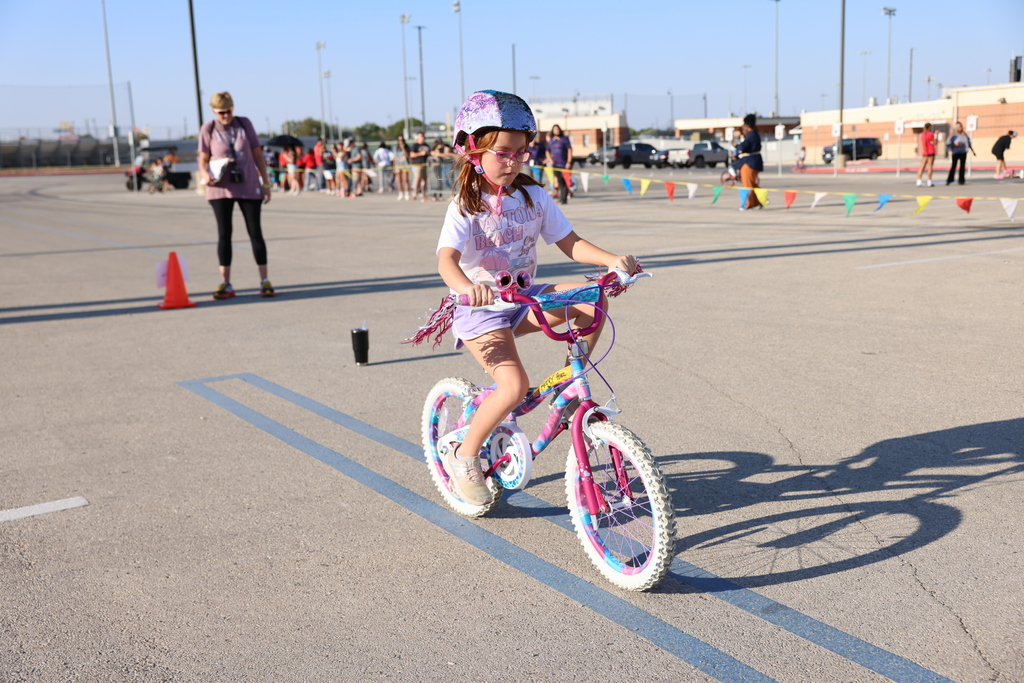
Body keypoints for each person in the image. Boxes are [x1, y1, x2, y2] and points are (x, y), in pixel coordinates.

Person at [430, 90, 637, 506]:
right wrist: (467, 288)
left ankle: (568, 382)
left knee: (591, 301)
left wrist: (612, 259)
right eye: (503, 153)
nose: (514, 161)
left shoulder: (534, 196)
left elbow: (570, 243)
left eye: (522, 152)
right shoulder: (464, 206)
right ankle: (464, 455)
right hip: (481, 313)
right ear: (473, 151)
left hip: (524, 301)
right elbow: (446, 261)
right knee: (513, 386)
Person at [197, 91, 275, 299]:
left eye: (229, 110)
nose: (226, 115)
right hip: (220, 188)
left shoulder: (244, 124)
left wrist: (265, 183)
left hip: (248, 185)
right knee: (224, 234)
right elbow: (203, 159)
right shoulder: (209, 129)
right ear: (213, 111)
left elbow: (258, 155)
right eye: (221, 112)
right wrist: (205, 174)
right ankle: (226, 282)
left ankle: (264, 280)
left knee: (255, 232)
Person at [733, 113, 763, 210]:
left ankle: (747, 204)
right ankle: (759, 201)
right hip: (756, 161)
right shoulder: (756, 135)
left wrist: (736, 144)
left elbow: (743, 147)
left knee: (747, 184)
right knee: (753, 184)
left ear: (748, 126)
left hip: (749, 162)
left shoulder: (750, 136)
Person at [545, 124, 573, 204]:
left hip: (564, 164)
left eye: (558, 129)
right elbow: (547, 151)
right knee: (558, 181)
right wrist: (550, 160)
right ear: (553, 131)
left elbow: (570, 150)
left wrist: (569, 162)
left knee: (564, 181)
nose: (557, 130)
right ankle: (561, 196)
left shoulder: (564, 139)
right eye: (555, 129)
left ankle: (564, 199)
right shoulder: (551, 141)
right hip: (555, 164)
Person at [946, 122, 974, 186]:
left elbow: (968, 142)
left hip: (963, 152)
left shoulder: (964, 135)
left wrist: (971, 149)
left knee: (962, 167)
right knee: (954, 166)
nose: (961, 128)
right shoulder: (953, 135)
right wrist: (955, 145)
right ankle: (950, 180)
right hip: (956, 152)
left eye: (961, 126)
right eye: (959, 127)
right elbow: (948, 143)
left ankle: (961, 180)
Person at [409, 131, 430, 200]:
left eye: (423, 136)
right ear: (418, 137)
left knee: (424, 180)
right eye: (421, 136)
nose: (422, 138)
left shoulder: (426, 145)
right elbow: (411, 155)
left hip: (425, 165)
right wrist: (420, 153)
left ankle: (423, 193)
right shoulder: (415, 145)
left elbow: (430, 153)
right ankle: (415, 193)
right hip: (418, 165)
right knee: (417, 179)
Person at [916, 122, 936, 187]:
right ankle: (929, 181)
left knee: (922, 166)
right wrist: (936, 135)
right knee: (930, 166)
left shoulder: (922, 134)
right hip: (931, 152)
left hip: (925, 152)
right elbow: (935, 142)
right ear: (929, 127)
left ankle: (919, 180)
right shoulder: (931, 134)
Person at [393, 135, 411, 200]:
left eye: (402, 140)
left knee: (406, 179)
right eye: (399, 140)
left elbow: (408, 155)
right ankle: (400, 193)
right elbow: (394, 158)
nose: (401, 142)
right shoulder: (395, 148)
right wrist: (394, 167)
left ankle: (407, 193)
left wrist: (403, 148)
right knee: (399, 180)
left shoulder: (407, 147)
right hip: (398, 165)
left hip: (405, 165)